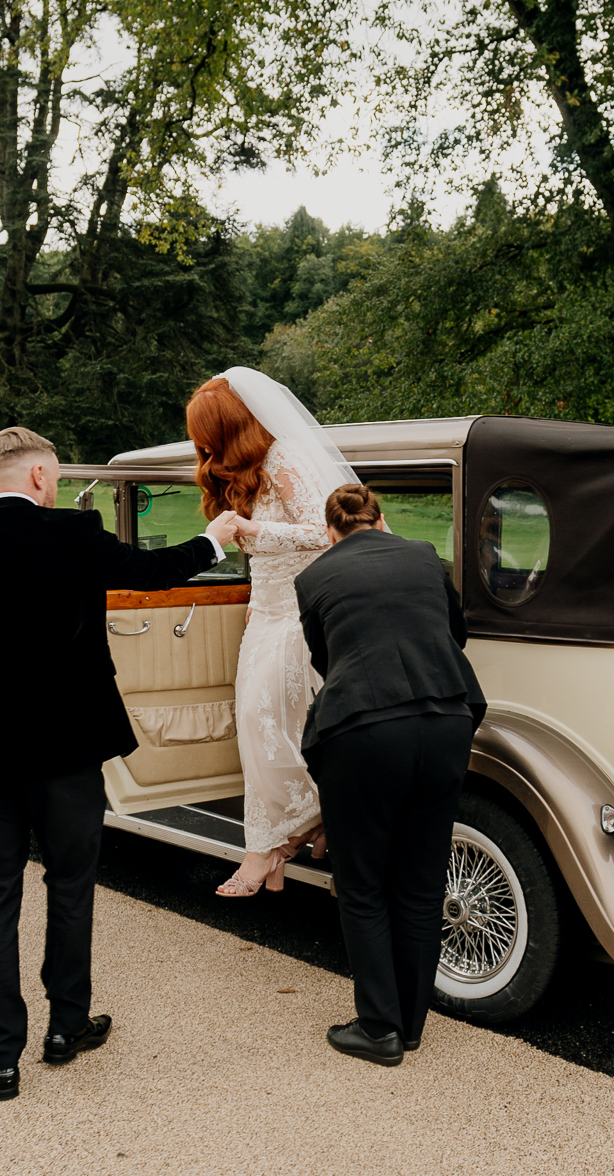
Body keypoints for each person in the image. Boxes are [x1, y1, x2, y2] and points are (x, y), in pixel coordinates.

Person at [0, 426, 243, 1101]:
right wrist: (216, 537)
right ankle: (67, 1026)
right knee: (70, 885)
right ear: (35, 478)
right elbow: (153, 573)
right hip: (68, 755)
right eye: (50, 476)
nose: (53, 485)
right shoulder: (74, 536)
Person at [295, 483, 486, 1067]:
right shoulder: (424, 555)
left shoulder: (314, 577)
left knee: (363, 884)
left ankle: (378, 1029)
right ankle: (410, 1023)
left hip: (365, 732)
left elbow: (327, 659)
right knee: (422, 883)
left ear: (330, 532)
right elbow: (455, 635)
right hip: (448, 720)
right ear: (382, 521)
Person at [184, 368, 359, 897]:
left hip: (300, 617)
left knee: (276, 730)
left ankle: (272, 845)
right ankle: (292, 833)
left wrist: (254, 529)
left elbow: (329, 533)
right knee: (257, 732)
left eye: (208, 434)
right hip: (266, 612)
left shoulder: (283, 458)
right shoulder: (246, 468)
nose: (204, 447)